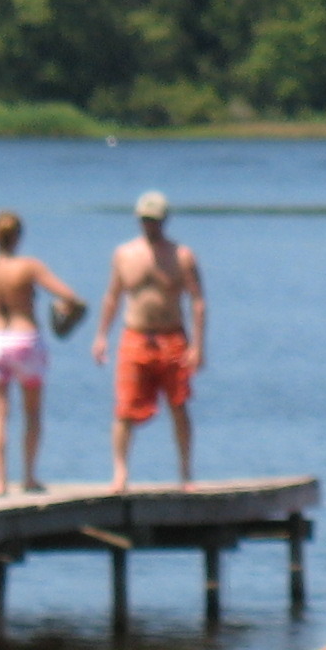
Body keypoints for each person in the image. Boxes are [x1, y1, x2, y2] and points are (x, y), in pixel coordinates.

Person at [0, 210, 79, 498]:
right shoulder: (29, 267)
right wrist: (63, 311)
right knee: (32, 412)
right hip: (25, 338)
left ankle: (0, 481)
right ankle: (28, 476)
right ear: (19, 237)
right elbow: (69, 297)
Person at [94, 191, 206, 492]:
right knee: (125, 408)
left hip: (172, 338)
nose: (149, 226)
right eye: (145, 220)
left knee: (179, 404)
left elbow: (197, 301)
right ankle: (120, 473)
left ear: (164, 221)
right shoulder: (124, 254)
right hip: (135, 336)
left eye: (154, 221)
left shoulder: (181, 256)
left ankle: (185, 473)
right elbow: (112, 296)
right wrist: (102, 336)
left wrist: (198, 346)